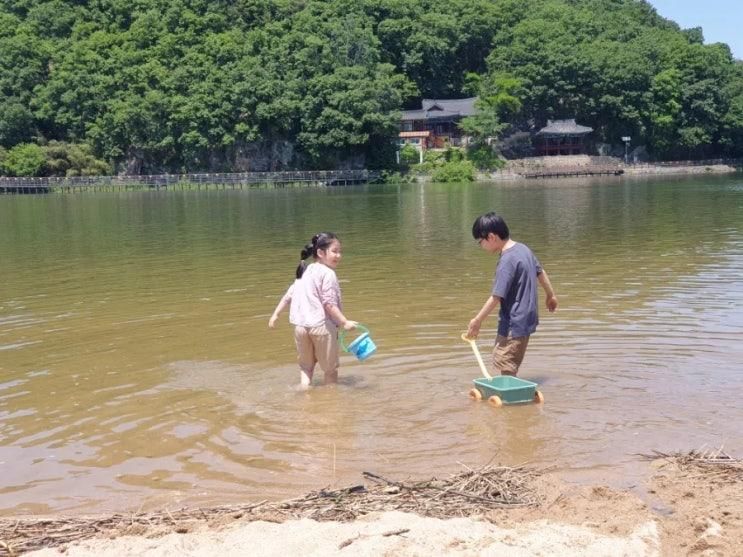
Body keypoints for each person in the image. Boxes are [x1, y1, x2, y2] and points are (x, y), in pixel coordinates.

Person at [467, 212, 557, 376]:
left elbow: (496, 296)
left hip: (514, 322)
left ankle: (510, 397)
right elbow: (541, 272)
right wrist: (551, 295)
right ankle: (512, 393)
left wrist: (477, 320)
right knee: (508, 359)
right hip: (527, 317)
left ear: (492, 237)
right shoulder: (523, 249)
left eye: (480, 242)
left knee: (504, 362)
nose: (481, 246)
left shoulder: (506, 260)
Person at [269, 232, 357, 386]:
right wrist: (344, 322)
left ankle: (304, 396)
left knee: (305, 367)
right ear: (320, 253)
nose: (339, 255)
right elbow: (328, 304)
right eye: (335, 251)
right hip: (321, 326)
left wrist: (275, 314)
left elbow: (289, 295)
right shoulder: (328, 273)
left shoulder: (305, 270)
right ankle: (331, 403)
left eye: (340, 252)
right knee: (330, 370)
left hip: (301, 327)